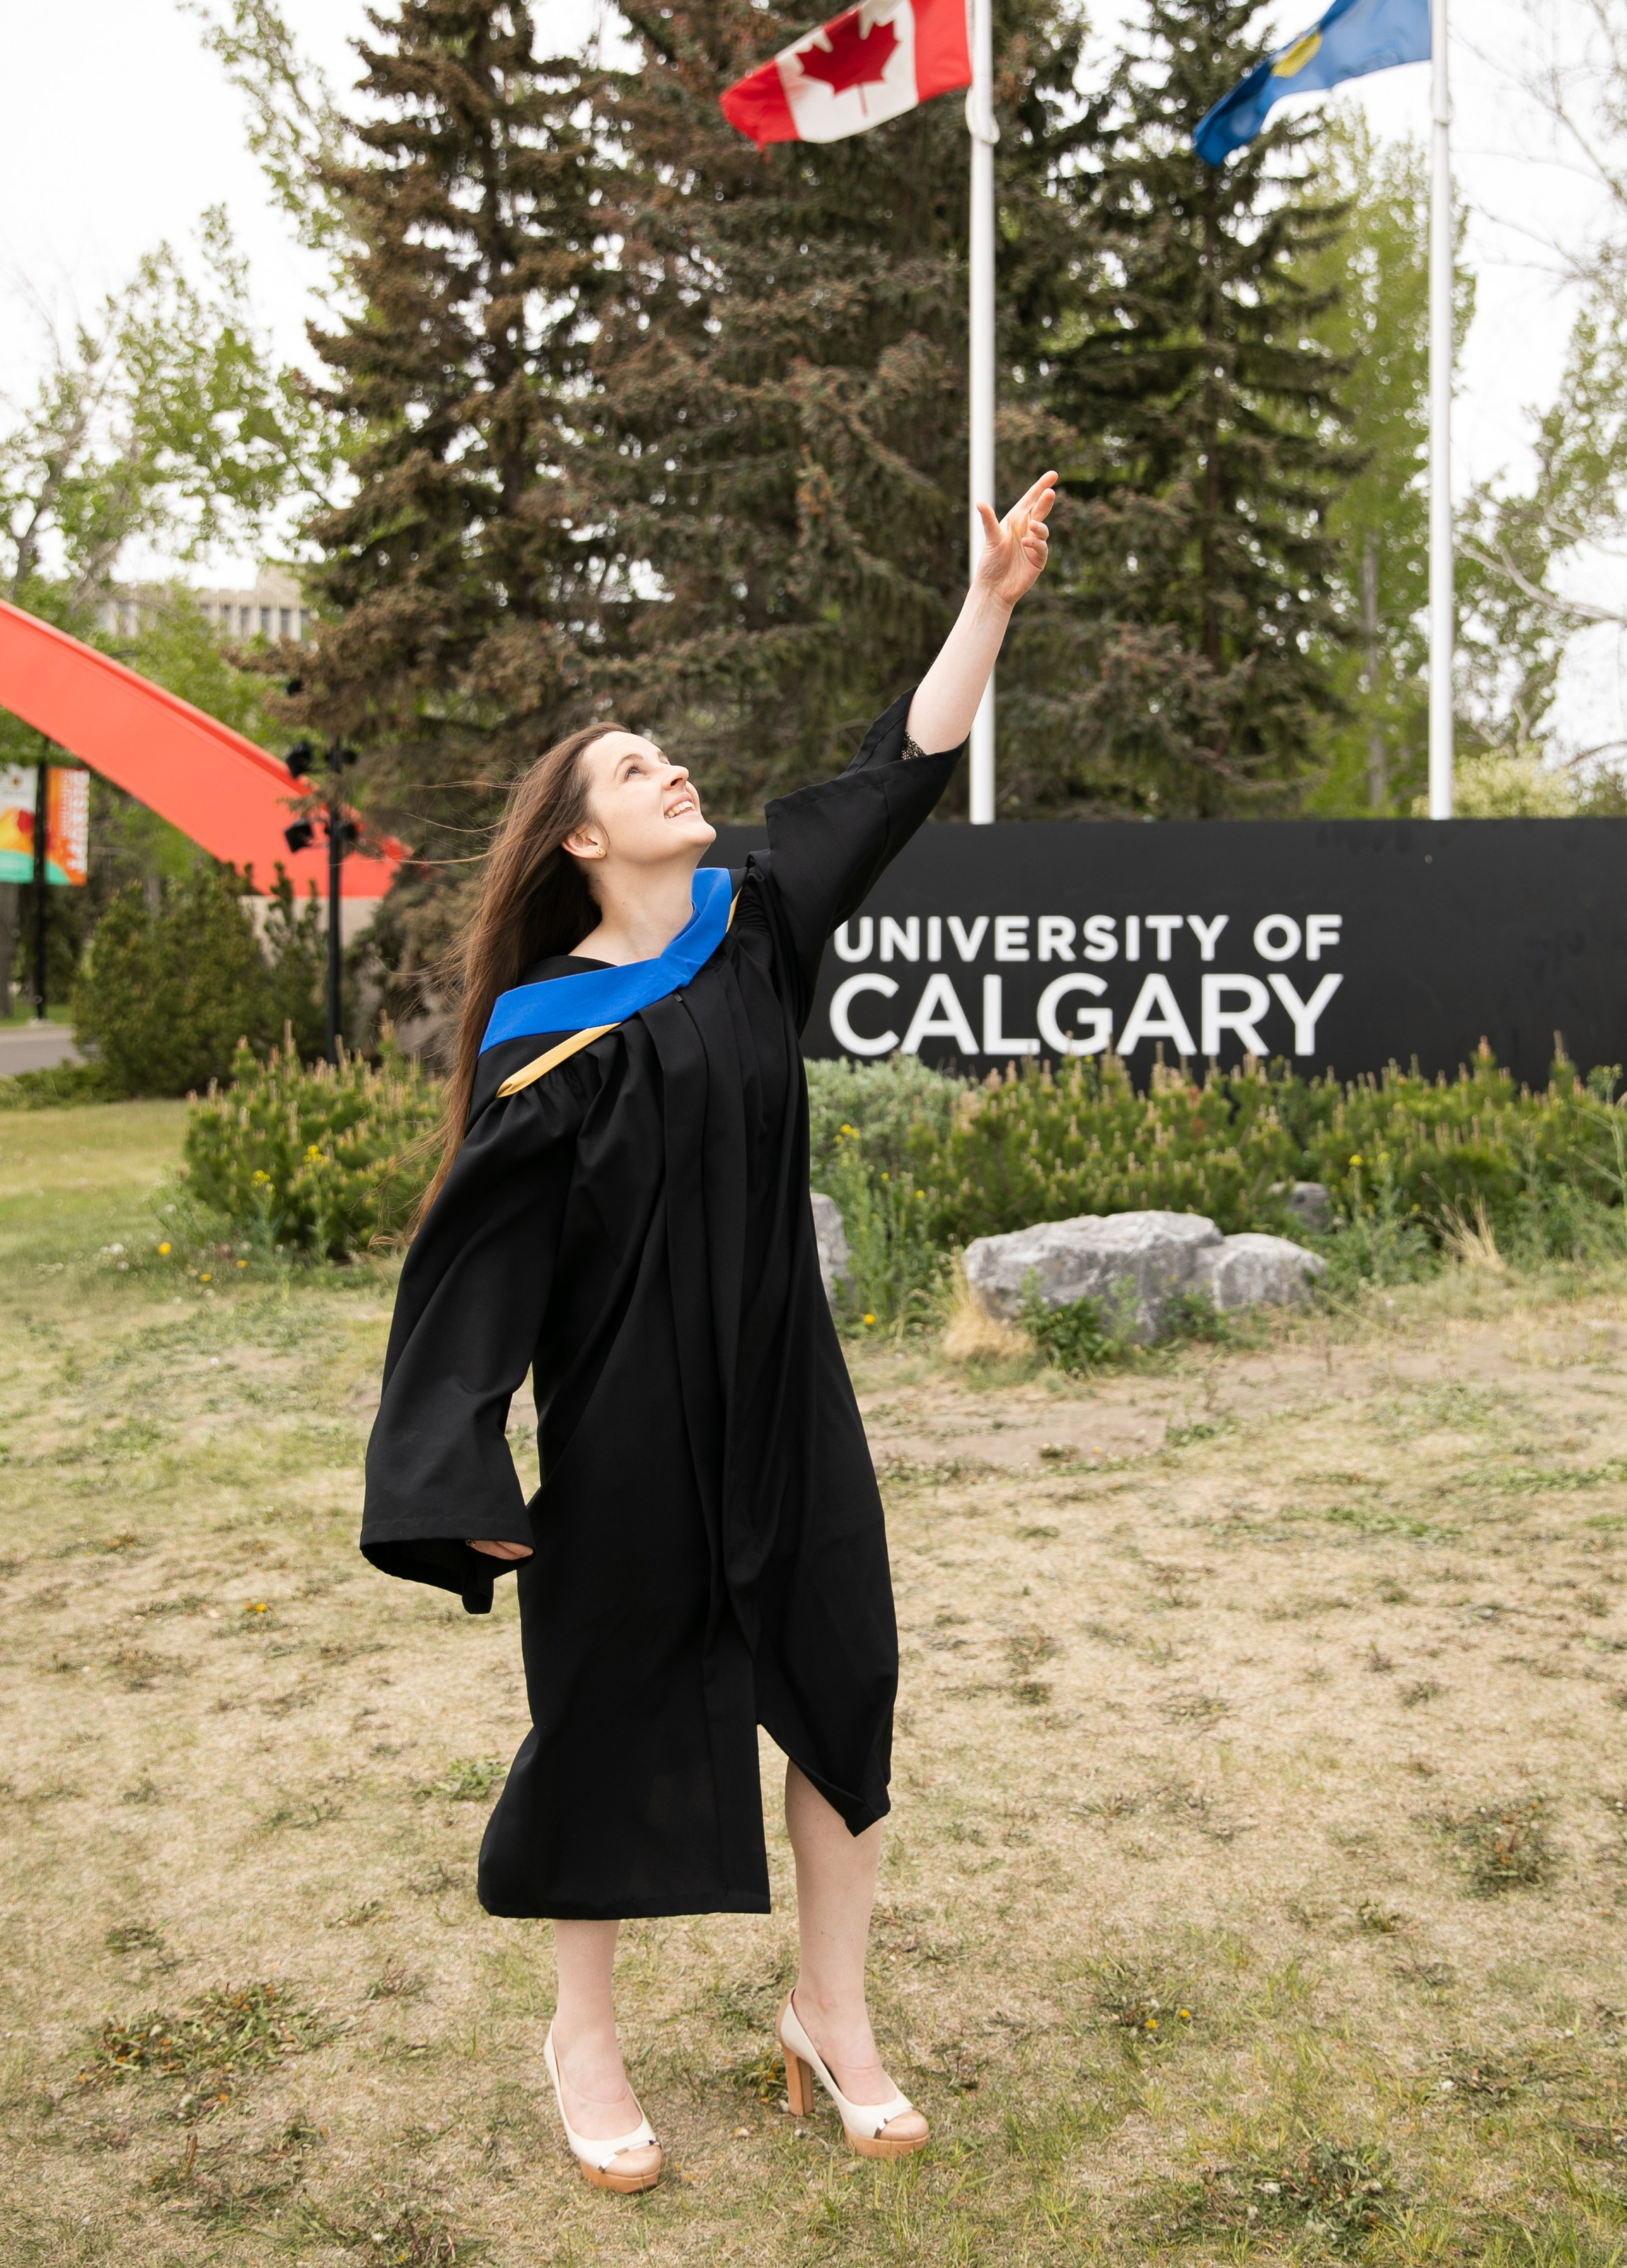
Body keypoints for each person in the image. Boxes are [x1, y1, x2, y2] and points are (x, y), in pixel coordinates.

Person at [361, 470, 1058, 2194]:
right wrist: (462, 1456)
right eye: (629, 767)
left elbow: (893, 775)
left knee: (839, 1685)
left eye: (665, 753)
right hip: (624, 1426)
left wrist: (986, 605)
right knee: (608, 1708)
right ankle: (580, 2037)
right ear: (583, 838)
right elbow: (473, 1269)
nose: (669, 767)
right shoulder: (547, 1035)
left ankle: (834, 2013)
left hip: (785, 1389)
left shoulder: (750, 931)